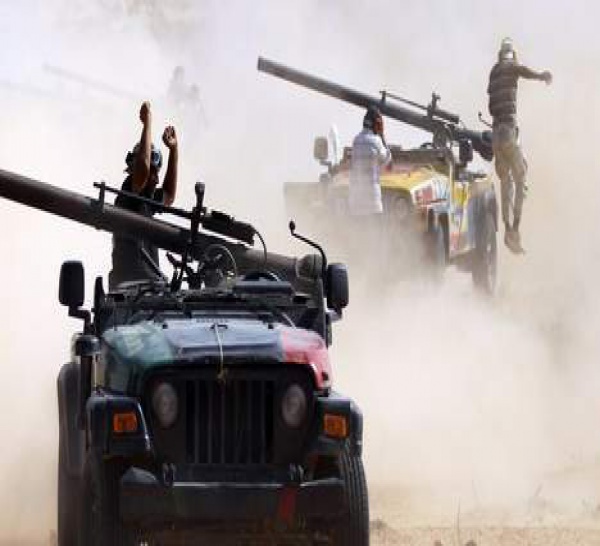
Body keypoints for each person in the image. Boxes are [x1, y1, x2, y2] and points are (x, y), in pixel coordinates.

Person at [487, 37, 552, 253]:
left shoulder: (494, 72)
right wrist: (541, 76)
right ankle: (515, 229)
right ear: (511, 55)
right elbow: (522, 71)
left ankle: (506, 230)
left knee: (506, 183)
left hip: (495, 135)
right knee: (521, 175)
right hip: (507, 131)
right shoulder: (510, 67)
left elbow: (490, 106)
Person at [109, 101, 179, 289]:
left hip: (153, 287)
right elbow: (142, 171)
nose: (156, 179)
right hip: (128, 288)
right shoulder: (129, 193)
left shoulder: (146, 199)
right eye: (154, 173)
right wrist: (147, 123)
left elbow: (168, 196)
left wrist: (173, 150)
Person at [349, 105, 392, 220]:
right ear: (377, 123)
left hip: (356, 201)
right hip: (372, 203)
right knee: (375, 236)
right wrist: (382, 135)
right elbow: (388, 162)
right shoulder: (376, 141)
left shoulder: (356, 141)